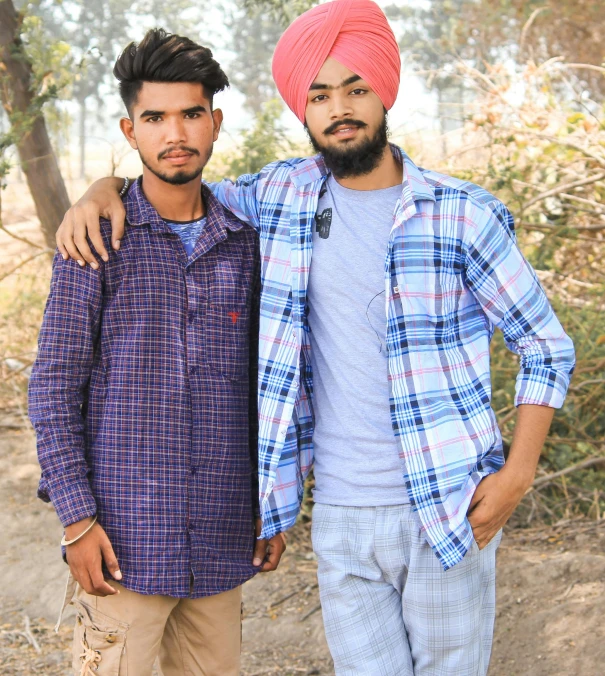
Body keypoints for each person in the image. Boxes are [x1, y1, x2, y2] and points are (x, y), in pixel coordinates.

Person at [55, 1, 576, 673]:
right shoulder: (280, 197)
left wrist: (517, 476)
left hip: (449, 504)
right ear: (302, 110)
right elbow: (176, 180)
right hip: (338, 514)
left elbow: (543, 345)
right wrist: (104, 188)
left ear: (383, 92)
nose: (340, 107)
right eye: (320, 94)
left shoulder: (461, 215)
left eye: (355, 87)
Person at [29, 29, 286, 676]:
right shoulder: (96, 243)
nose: (175, 132)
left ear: (215, 122)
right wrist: (76, 521)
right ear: (130, 130)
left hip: (223, 540)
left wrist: (273, 502)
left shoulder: (247, 246)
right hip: (123, 549)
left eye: (191, 113)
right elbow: (54, 386)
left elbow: (269, 388)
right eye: (155, 117)